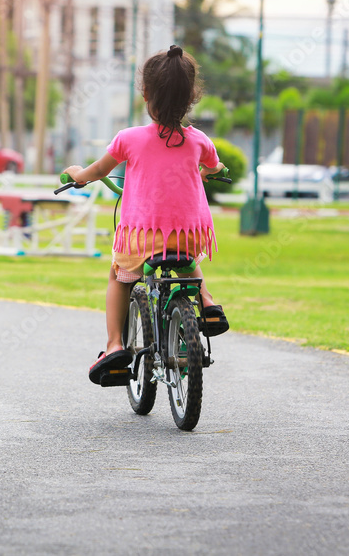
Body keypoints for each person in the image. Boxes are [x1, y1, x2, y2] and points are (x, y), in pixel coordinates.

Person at [63, 45, 226, 385]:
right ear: (191, 97)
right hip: (189, 235)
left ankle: (113, 346)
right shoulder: (199, 141)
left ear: (146, 94)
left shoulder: (128, 139)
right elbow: (214, 166)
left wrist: (78, 174)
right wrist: (213, 172)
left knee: (118, 276)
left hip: (142, 238)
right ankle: (208, 302)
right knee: (187, 260)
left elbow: (96, 170)